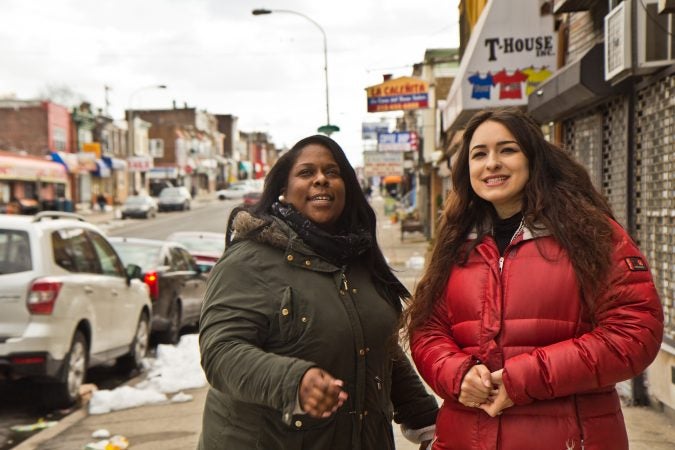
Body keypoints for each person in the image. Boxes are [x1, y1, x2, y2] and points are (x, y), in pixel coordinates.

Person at [404, 107, 663, 450]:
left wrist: (521, 381)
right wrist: (457, 373)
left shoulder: (591, 235)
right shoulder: (456, 242)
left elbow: (634, 333)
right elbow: (427, 328)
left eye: (507, 150)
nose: (492, 163)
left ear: (533, 158)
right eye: (479, 154)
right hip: (465, 437)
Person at [198, 134, 438, 450]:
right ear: (283, 190)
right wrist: (293, 382)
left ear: (347, 189)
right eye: (306, 173)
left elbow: (378, 347)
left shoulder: (358, 257)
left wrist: (424, 417)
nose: (321, 180)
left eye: (332, 172)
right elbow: (221, 351)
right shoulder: (249, 258)